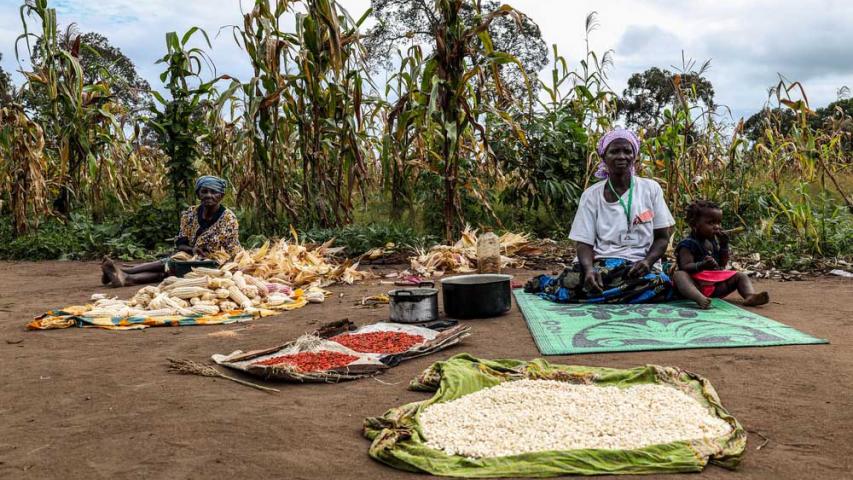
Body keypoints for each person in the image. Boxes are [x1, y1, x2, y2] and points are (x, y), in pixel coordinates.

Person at [525, 128, 676, 303]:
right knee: (574, 281)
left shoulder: (651, 189)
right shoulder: (591, 195)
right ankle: (609, 293)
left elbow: (662, 238)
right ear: (604, 157)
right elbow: (584, 243)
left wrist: (648, 262)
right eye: (614, 151)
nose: (621, 156)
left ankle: (596, 295)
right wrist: (588, 270)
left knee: (661, 284)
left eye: (627, 151)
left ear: (635, 156)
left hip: (638, 265)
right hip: (601, 263)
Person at [101, 175, 241, 287]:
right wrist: (192, 250)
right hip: (191, 256)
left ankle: (124, 274)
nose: (209, 195)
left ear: (221, 196)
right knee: (174, 262)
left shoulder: (228, 219)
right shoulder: (190, 214)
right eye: (204, 191)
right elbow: (181, 243)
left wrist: (198, 254)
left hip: (220, 261)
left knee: (171, 269)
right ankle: (123, 275)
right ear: (198, 194)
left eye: (213, 192)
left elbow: (223, 251)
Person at [672, 200, 769, 309]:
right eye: (711, 223)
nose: (717, 227)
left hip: (714, 286)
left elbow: (722, 264)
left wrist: (724, 245)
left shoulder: (712, 242)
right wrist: (702, 265)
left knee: (740, 276)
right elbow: (685, 266)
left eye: (718, 223)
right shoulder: (688, 244)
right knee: (679, 275)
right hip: (694, 286)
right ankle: (699, 299)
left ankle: (750, 296)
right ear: (694, 224)